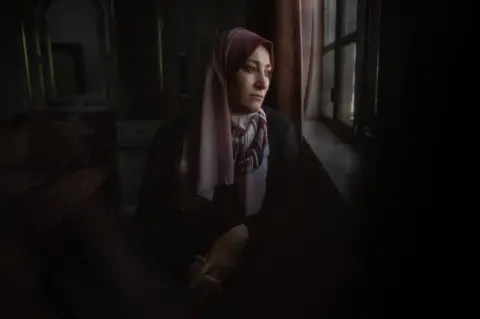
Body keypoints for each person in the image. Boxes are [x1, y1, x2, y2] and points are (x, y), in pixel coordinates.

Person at [134, 27, 299, 306]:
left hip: (258, 272)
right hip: (186, 271)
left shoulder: (279, 131)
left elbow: (289, 211)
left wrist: (242, 235)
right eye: (250, 69)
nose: (263, 83)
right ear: (224, 71)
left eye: (268, 72)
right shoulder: (174, 135)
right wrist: (192, 268)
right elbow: (150, 219)